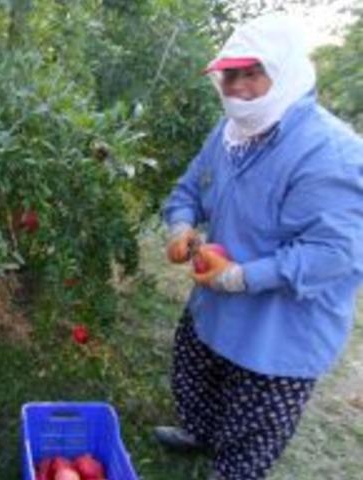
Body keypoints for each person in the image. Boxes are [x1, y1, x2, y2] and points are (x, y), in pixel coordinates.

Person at [157, 14, 363, 480]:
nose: (238, 87)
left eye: (252, 73)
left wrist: (241, 276)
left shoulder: (331, 153)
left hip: (281, 330)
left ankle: (232, 471)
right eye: (230, 75)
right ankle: (200, 435)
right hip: (215, 304)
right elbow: (189, 188)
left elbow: (334, 253)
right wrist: (180, 226)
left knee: (253, 426)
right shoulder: (227, 134)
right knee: (196, 375)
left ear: (284, 71)